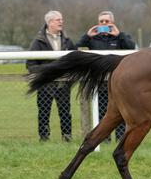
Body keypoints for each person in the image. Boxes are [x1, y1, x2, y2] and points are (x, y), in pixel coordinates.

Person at [75, 11, 136, 143]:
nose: (103, 24)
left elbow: (131, 47)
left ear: (112, 23)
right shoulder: (92, 39)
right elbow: (75, 47)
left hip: (119, 83)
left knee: (121, 112)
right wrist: (87, 35)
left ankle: (120, 138)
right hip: (100, 82)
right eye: (101, 21)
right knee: (102, 112)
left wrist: (119, 35)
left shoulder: (120, 37)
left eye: (106, 21)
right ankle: (105, 139)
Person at [26, 10, 76, 142]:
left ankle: (67, 137)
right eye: (57, 20)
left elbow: (75, 59)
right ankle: (44, 139)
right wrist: (48, 71)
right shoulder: (38, 41)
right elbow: (30, 64)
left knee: (65, 112)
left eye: (61, 19)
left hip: (63, 84)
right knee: (44, 112)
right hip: (45, 84)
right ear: (49, 23)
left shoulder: (67, 40)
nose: (61, 22)